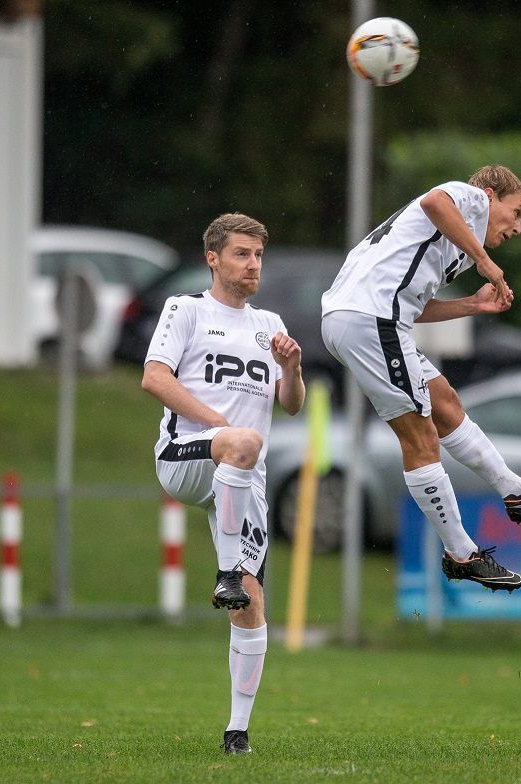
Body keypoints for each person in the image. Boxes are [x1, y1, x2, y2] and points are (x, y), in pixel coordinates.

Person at [321, 165, 521, 592]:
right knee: (420, 437)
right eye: (515, 213)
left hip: (374, 320)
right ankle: (461, 553)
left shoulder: (451, 243)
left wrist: (472, 306)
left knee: (446, 405)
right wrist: (485, 262)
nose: (516, 228)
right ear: (489, 194)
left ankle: (517, 492)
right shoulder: (467, 198)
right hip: (369, 321)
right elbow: (434, 200)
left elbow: (414, 305)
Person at [141, 213, 305, 756]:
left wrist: (293, 370)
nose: (252, 264)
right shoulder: (185, 310)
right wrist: (216, 423)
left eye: (258, 255)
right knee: (242, 443)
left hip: (243, 476)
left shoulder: (270, 324)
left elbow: (291, 405)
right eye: (241, 254)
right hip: (187, 457)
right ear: (213, 258)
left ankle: (237, 732)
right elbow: (154, 377)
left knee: (251, 609)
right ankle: (225, 572)